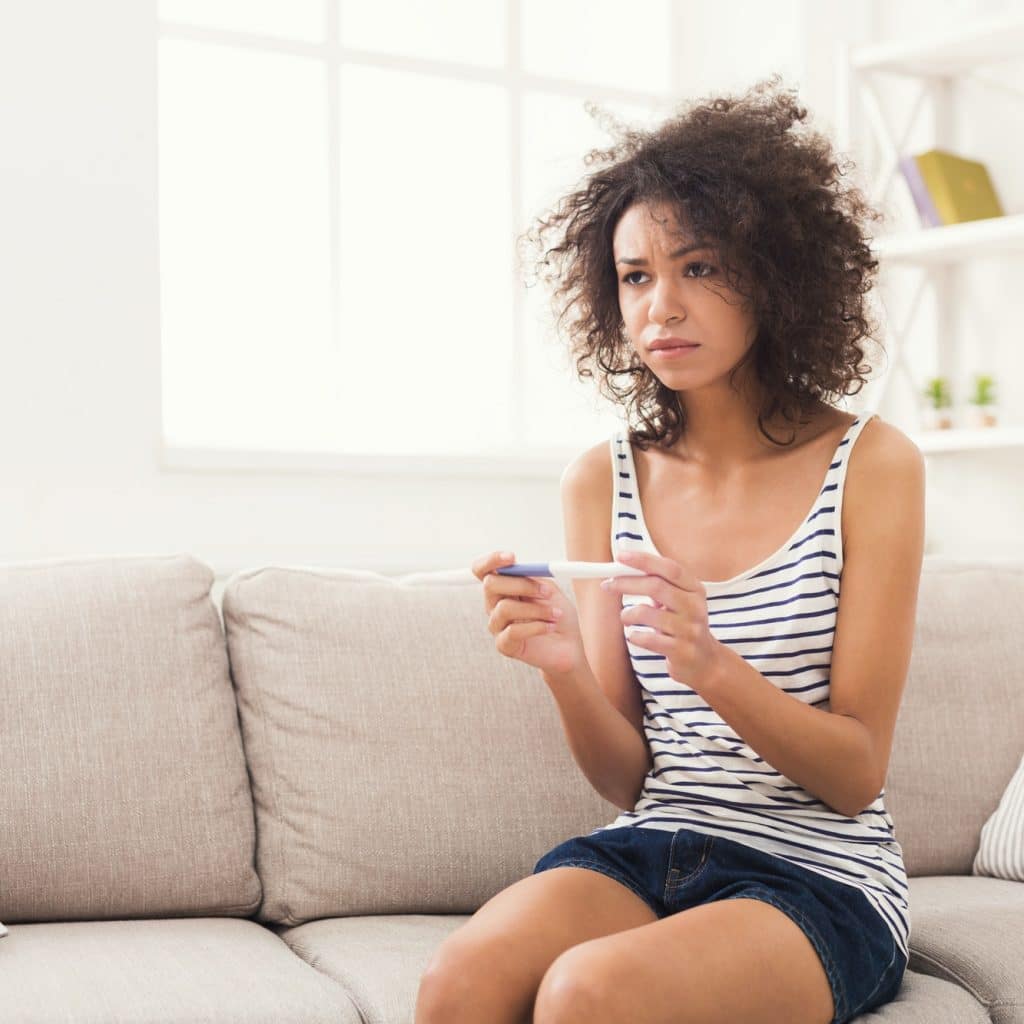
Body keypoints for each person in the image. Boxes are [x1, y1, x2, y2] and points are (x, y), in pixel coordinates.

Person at [416, 74, 925, 1024]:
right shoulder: (599, 479)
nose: (662, 308)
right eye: (637, 276)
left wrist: (708, 663)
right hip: (657, 843)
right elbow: (627, 779)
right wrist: (564, 666)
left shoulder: (873, 465)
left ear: (773, 274)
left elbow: (855, 775)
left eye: (699, 268)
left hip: (823, 877)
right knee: (459, 981)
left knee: (588, 992)